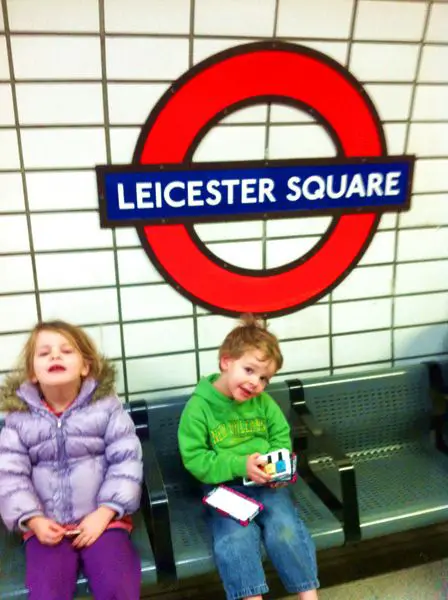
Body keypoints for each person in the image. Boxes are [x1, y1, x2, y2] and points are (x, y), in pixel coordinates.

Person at [178, 314, 319, 600]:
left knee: (285, 529)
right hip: (224, 488)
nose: (256, 383)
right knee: (235, 538)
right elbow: (195, 459)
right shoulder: (199, 408)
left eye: (264, 378)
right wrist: (239, 465)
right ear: (226, 362)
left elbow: (280, 435)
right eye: (249, 370)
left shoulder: (263, 403)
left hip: (265, 482)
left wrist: (279, 466)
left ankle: (309, 596)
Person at [0, 320, 143, 600]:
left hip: (104, 521)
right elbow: (9, 475)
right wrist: (33, 520)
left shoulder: (107, 408)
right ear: (32, 373)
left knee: (118, 584)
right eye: (44, 353)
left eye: (66, 350)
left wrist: (106, 512)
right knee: (46, 592)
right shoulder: (18, 419)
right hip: (46, 527)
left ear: (85, 366)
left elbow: (127, 461)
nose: (55, 356)